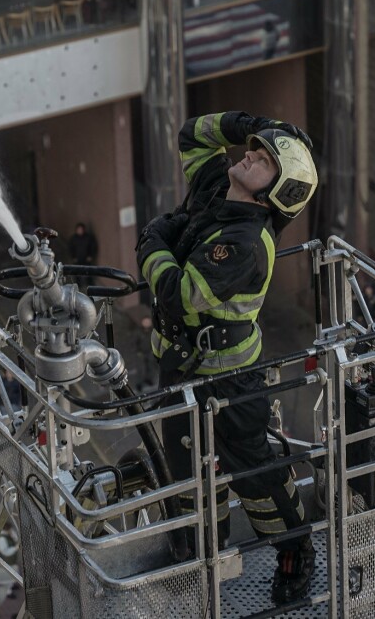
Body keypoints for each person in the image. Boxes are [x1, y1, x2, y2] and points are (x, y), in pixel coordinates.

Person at [137, 110, 319, 606]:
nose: (251, 153)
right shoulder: (217, 186)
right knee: (188, 474)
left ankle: (293, 550)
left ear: (272, 193)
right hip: (179, 373)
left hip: (231, 380)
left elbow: (179, 294)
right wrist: (247, 123)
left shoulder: (244, 244)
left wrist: (152, 241)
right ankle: (202, 560)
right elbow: (191, 134)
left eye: (263, 159)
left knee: (255, 471)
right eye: (255, 147)